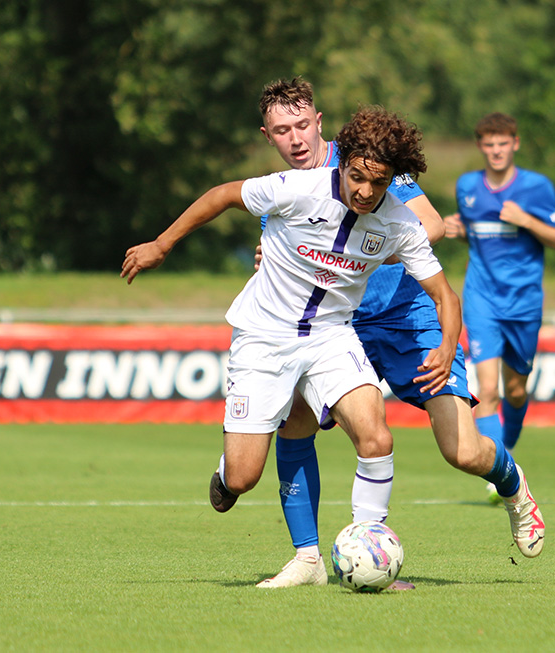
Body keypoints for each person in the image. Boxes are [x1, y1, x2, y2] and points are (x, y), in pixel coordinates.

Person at [122, 105, 464, 585]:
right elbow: (222, 196)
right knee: (242, 479)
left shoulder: (398, 224)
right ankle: (230, 472)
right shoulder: (297, 189)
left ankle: (361, 552)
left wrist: (447, 346)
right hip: (264, 338)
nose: (365, 192)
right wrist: (162, 244)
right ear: (343, 163)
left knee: (377, 437)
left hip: (331, 337)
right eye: (358, 177)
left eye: (379, 183)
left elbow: (445, 296)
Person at [242, 79, 544, 589]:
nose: (294, 138)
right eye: (281, 130)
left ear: (319, 122)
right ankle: (308, 558)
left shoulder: (369, 162)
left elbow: (432, 225)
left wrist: (359, 254)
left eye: (301, 126)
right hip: (336, 327)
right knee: (295, 420)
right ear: (268, 135)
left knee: (462, 450)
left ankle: (514, 488)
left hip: (406, 316)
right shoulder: (283, 190)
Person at [444, 112, 555, 458]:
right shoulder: (467, 187)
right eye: (489, 145)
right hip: (482, 297)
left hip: (524, 302)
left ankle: (509, 447)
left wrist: (527, 220)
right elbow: (480, 238)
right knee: (487, 389)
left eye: (503, 144)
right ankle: (498, 468)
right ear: (480, 147)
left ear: (515, 144)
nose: (497, 151)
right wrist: (460, 233)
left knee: (516, 391)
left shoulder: (536, 187)